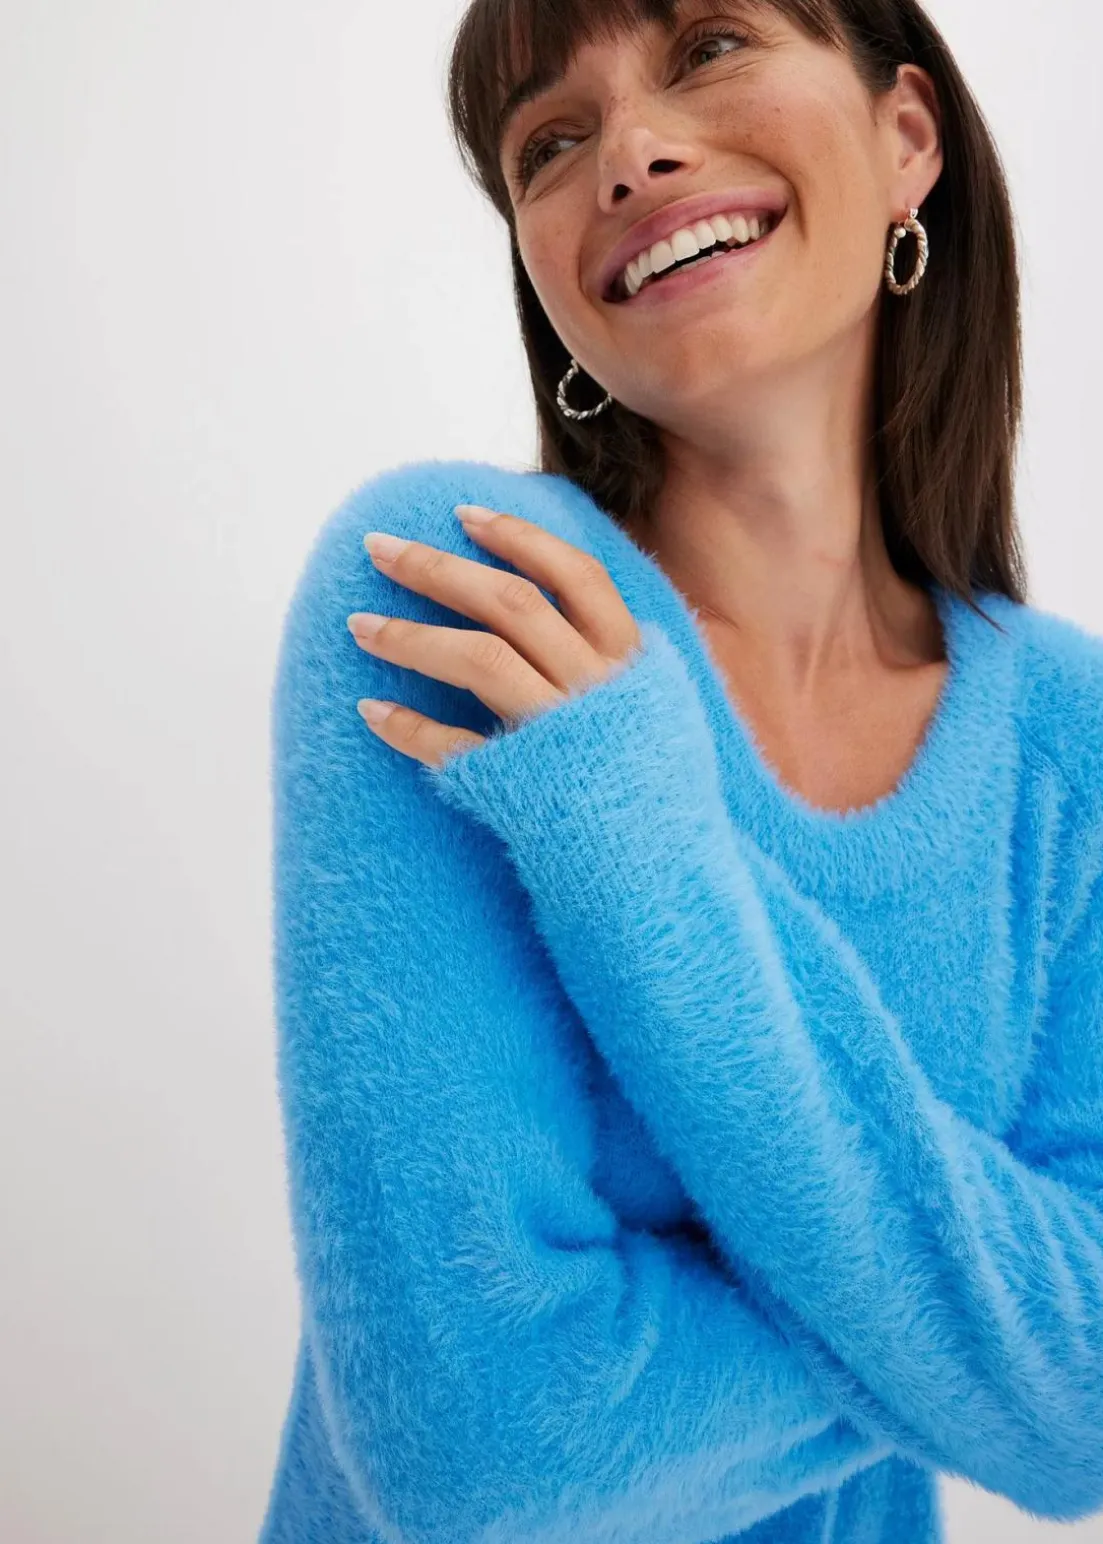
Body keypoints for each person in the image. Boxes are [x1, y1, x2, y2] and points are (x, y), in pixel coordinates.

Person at [257, 3, 1103, 1541]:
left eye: (707, 46)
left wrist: (639, 849)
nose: (629, 153)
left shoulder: (1066, 741)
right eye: (548, 142)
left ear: (906, 139)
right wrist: (987, 1342)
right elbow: (477, 1461)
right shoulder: (466, 596)